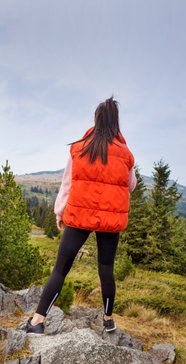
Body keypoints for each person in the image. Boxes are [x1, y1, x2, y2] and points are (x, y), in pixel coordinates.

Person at [18, 97, 137, 334]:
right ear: (116, 122)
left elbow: (67, 184)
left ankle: (38, 321)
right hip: (110, 221)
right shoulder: (125, 153)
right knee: (106, 269)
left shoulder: (80, 147)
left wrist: (59, 213)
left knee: (60, 269)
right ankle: (108, 319)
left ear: (96, 120)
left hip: (79, 216)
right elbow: (130, 184)